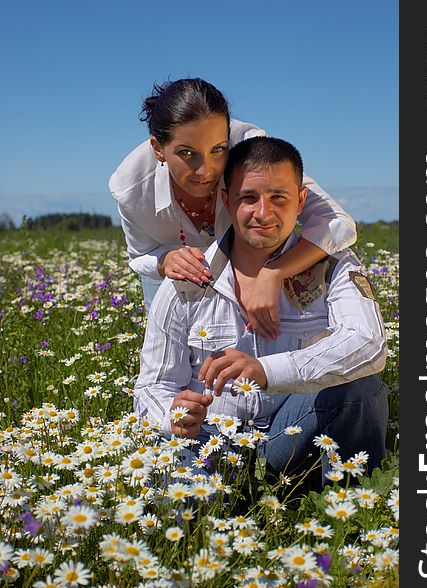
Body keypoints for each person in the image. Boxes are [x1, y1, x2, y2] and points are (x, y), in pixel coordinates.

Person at [134, 136, 389, 483]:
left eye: (279, 198)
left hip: (296, 435)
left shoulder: (334, 266)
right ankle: (219, 516)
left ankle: (354, 508)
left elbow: (369, 344)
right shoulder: (187, 278)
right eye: (248, 198)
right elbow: (151, 388)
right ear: (227, 200)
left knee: (359, 386)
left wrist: (266, 371)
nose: (263, 213)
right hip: (214, 441)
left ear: (301, 201)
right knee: (177, 487)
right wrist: (172, 414)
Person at [109, 78, 357, 339]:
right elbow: (139, 256)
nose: (206, 171)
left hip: (250, 264)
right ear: (158, 149)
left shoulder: (250, 149)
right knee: (169, 357)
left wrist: (274, 272)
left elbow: (338, 224)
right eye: (186, 153)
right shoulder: (130, 189)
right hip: (174, 278)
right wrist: (164, 260)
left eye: (218, 150)